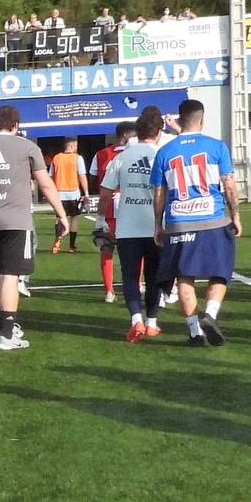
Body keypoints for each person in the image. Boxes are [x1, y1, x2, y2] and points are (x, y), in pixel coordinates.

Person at [0, 105, 69, 349]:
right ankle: (7, 333)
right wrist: (62, 215)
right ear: (15, 125)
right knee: (10, 275)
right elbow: (46, 185)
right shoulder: (28, 147)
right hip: (15, 222)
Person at [151, 98, 239, 347]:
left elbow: (159, 193)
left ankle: (194, 332)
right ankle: (210, 314)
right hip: (213, 219)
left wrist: (158, 224)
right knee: (219, 271)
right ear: (202, 119)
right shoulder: (217, 147)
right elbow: (229, 184)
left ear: (179, 120)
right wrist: (237, 216)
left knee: (183, 278)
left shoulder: (164, 152)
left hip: (179, 221)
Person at [101, 107, 166, 341]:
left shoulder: (121, 158)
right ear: (158, 132)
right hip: (156, 227)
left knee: (130, 276)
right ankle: (152, 322)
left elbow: (106, 191)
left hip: (128, 227)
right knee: (154, 277)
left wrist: (101, 219)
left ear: (136, 133)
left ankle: (136, 320)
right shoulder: (162, 155)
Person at [90, 122, 136, 301]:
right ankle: (136, 283)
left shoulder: (101, 154)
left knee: (107, 249)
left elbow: (95, 177)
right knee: (134, 249)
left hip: (109, 206)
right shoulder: (135, 153)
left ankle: (109, 290)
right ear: (125, 135)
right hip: (129, 206)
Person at [47, 137, 88, 253]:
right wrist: (86, 192)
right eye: (75, 146)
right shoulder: (77, 158)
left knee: (59, 217)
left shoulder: (56, 158)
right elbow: (82, 176)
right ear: (71, 146)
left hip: (59, 193)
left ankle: (57, 241)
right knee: (74, 218)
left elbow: (50, 176)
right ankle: (71, 246)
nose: (76, 148)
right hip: (73, 193)